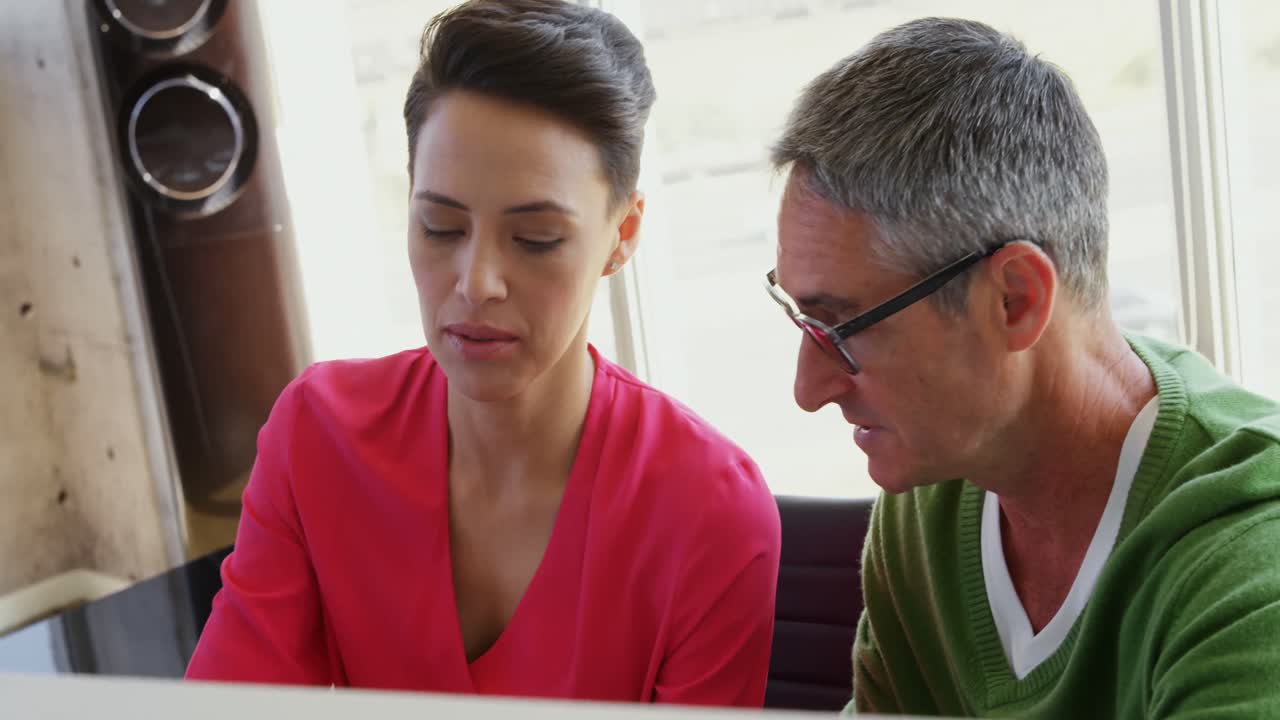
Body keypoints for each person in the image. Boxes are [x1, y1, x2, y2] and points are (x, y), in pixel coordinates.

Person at [186, 0, 781, 706]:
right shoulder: (318, 435)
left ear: (622, 236)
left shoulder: (708, 511)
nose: (476, 284)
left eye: (535, 240)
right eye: (440, 227)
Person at [763, 16, 1280, 717]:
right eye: (802, 320)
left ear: (1015, 300)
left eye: (841, 327)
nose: (809, 389)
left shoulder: (1252, 565)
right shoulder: (928, 504)